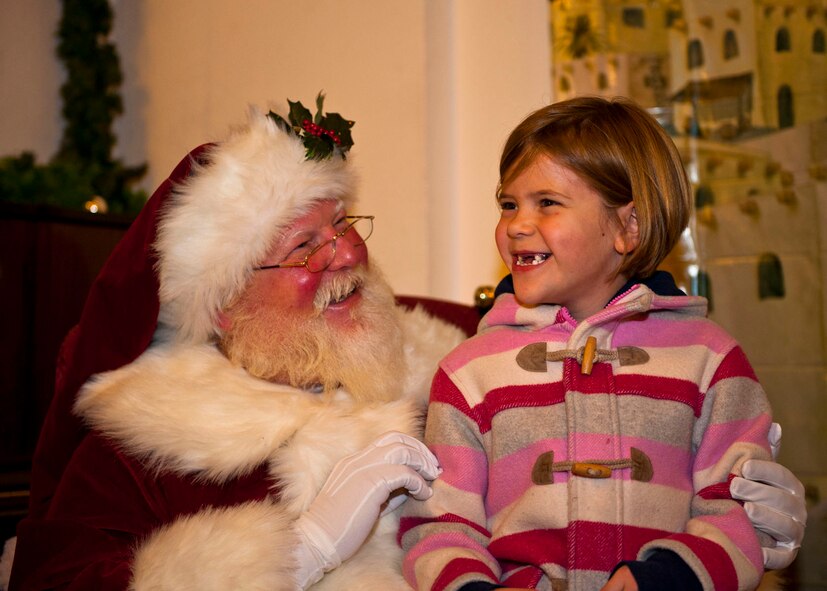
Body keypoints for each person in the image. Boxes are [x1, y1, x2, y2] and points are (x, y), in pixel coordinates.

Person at [1, 95, 804, 591]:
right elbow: (53, 575)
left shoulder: (443, 348)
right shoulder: (148, 445)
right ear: (224, 302)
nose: (347, 256)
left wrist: (744, 531)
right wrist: (299, 550)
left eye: (343, 226)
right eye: (304, 247)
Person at [399, 96, 804, 591]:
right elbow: (441, 526)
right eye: (509, 204)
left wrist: (665, 578)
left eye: (546, 202)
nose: (516, 225)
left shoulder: (710, 359)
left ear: (627, 226)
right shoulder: (469, 371)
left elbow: (736, 511)